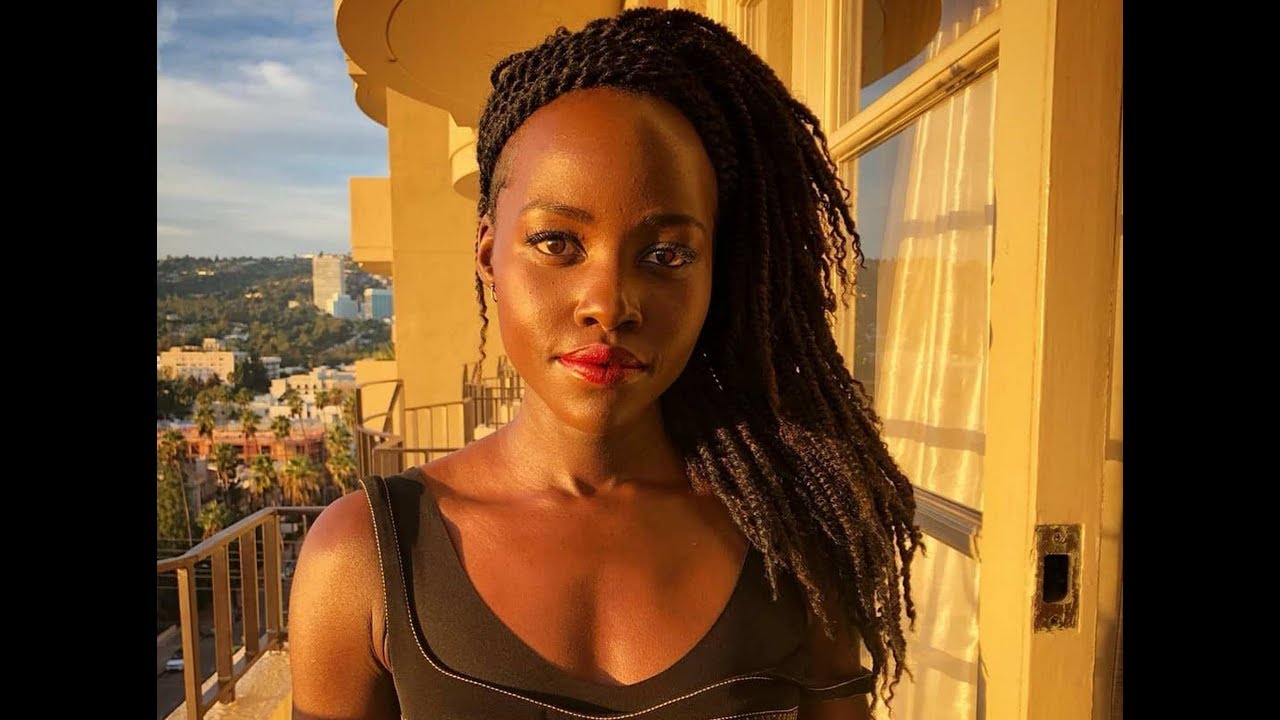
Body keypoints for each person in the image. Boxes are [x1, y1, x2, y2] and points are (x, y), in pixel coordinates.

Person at [289, 8, 921, 719]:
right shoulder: (364, 558)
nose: (609, 304)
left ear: (718, 274)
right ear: (488, 253)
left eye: (666, 254)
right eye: (557, 242)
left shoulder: (795, 542)